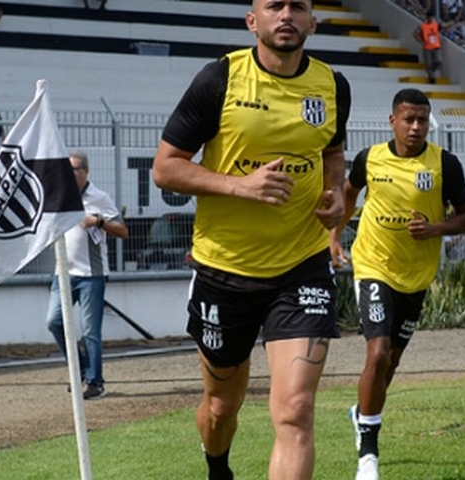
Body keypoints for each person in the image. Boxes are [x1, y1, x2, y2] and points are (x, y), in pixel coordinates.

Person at [152, 0, 350, 478]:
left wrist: (337, 198)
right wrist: (240, 185)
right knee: (222, 406)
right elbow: (165, 169)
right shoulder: (218, 80)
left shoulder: (332, 85)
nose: (286, 15)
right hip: (225, 271)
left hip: (301, 267)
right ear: (252, 21)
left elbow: (333, 154)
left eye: (297, 7)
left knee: (296, 410)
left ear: (312, 22)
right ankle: (217, 467)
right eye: (274, 6)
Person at [329, 88, 465, 480]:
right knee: (376, 354)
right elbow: (348, 192)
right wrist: (334, 236)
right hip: (373, 264)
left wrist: (436, 229)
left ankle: (361, 414)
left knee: (390, 362)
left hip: (417, 275)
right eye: (408, 119)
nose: (415, 127)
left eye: (422, 120)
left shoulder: (444, 164)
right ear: (392, 121)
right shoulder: (369, 158)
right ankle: (368, 455)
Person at [46, 151, 129, 400]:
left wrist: (99, 222)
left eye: (74, 169)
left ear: (86, 171)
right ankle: (80, 368)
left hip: (92, 275)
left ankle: (95, 382)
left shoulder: (98, 197)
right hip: (63, 272)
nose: (70, 175)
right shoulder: (60, 195)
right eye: (67, 170)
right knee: (54, 321)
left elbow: (122, 231)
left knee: (90, 331)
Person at [413, 15, 442, 84]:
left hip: (436, 46)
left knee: (438, 61)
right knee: (428, 63)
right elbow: (415, 33)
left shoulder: (435, 25)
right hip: (427, 47)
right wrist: (421, 41)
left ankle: (431, 72)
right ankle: (431, 77)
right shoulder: (422, 26)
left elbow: (444, 26)